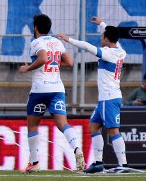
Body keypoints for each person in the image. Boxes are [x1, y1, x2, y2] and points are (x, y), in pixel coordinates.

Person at [57, 16, 128, 174]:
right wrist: (103, 24)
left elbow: (87, 46)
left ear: (107, 38)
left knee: (113, 130)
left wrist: (68, 39)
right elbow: (111, 37)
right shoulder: (120, 51)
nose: (100, 38)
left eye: (102, 36)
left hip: (108, 98)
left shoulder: (108, 53)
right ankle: (98, 163)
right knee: (94, 126)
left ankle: (123, 165)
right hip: (110, 97)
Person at [19, 14, 85, 173]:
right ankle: (77, 147)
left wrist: (27, 68)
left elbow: (43, 57)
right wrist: (54, 65)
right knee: (63, 124)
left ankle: (34, 162)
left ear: (35, 28)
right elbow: (70, 62)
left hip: (40, 89)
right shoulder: (56, 42)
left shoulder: (36, 42)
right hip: (57, 89)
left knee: (33, 125)